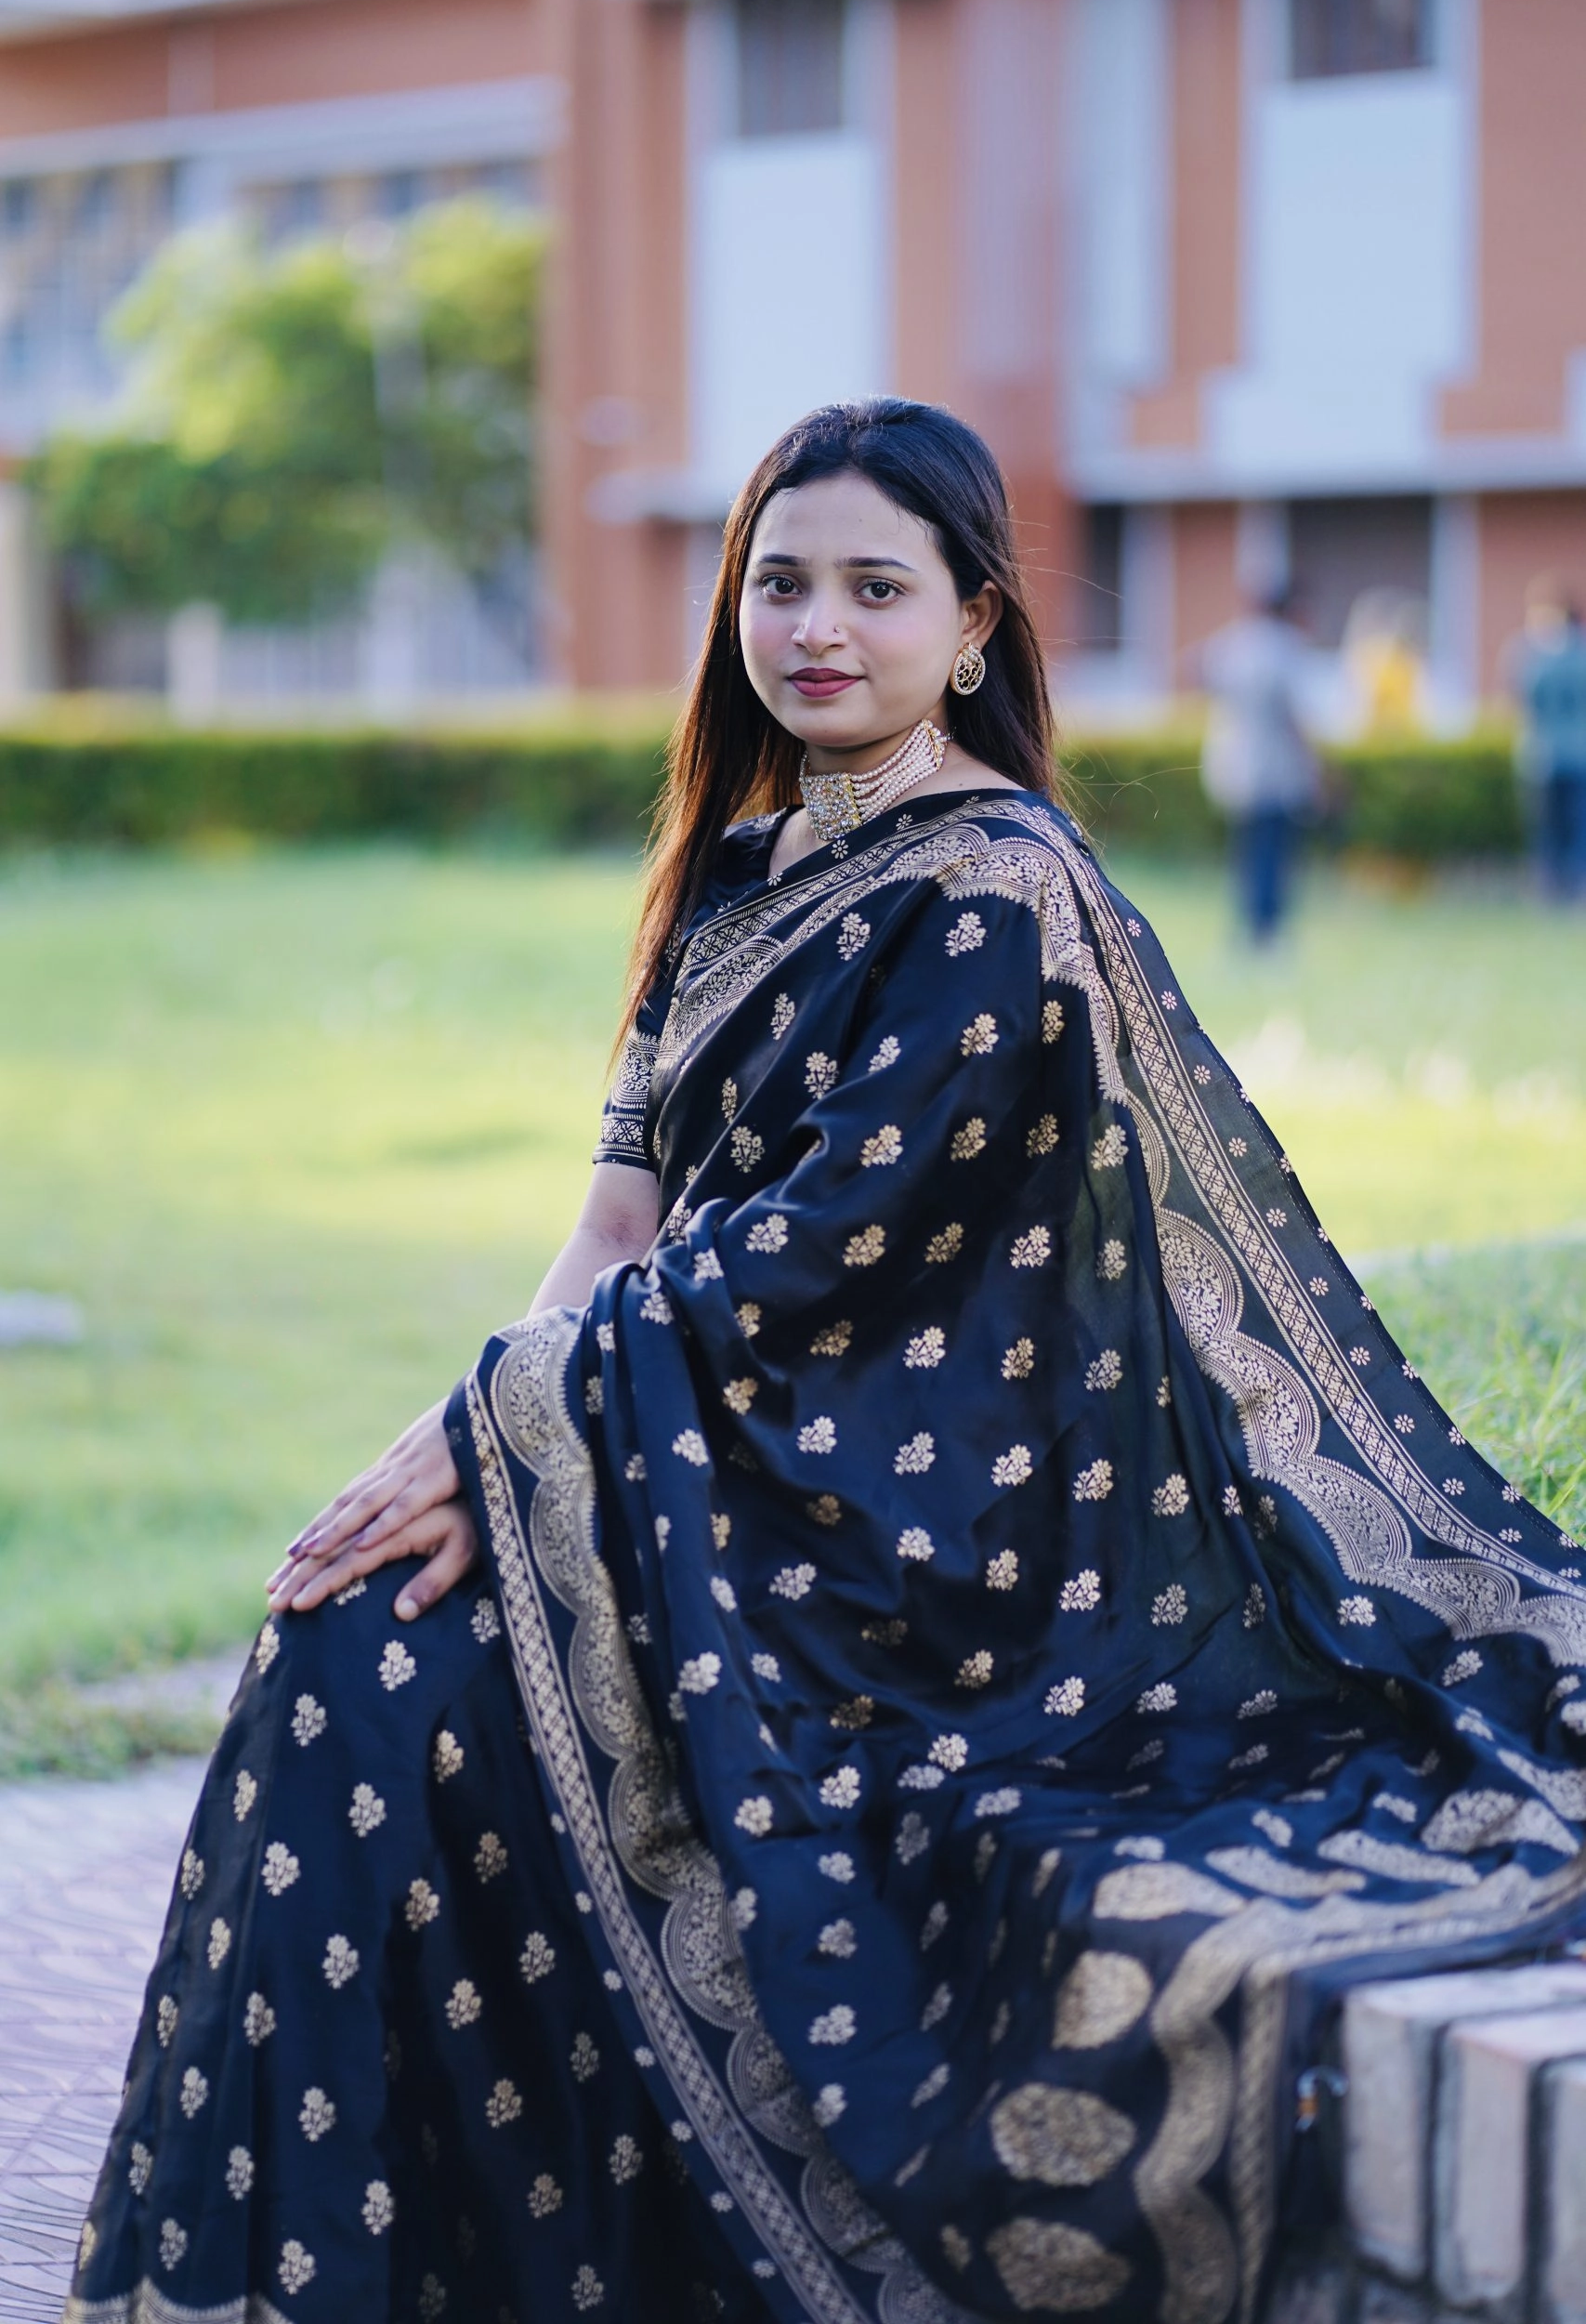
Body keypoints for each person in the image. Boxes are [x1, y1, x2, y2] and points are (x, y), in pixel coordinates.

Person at [66, 400, 1586, 2324]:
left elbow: (811, 1266)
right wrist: (452, 1442)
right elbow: (618, 1229)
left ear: (970, 626)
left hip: (908, 1537)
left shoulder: (1001, 890)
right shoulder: (730, 871)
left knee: (395, 1691)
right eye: (779, 582)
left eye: (876, 588)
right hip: (685, 1448)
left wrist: (514, 1437)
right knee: (347, 1636)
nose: (817, 629)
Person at [1198, 584, 1321, 945]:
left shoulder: (1234, 644)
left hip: (1234, 767)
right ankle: (1267, 931)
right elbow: (1295, 716)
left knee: (1248, 853)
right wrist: (1316, 768)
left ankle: (1249, 927)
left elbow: (1199, 674)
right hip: (1275, 770)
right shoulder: (1284, 648)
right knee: (1274, 853)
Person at [1507, 578, 1586, 902]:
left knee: (1568, 826)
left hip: (1560, 755)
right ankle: (1556, 888)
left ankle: (1565, 887)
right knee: (1555, 827)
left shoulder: (1536, 656)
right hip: (1555, 756)